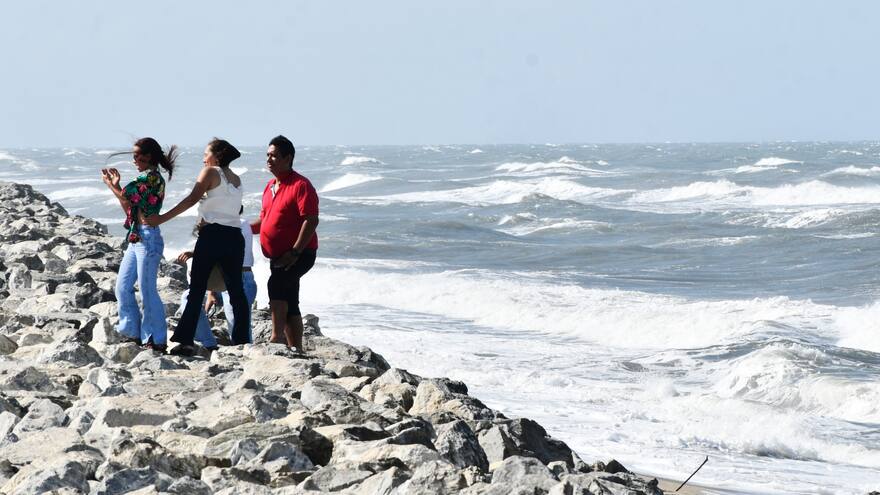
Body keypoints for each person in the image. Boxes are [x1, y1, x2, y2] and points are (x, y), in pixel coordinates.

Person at [145, 138, 250, 355]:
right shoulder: (237, 179)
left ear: (216, 156)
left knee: (197, 289)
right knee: (236, 292)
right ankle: (241, 343)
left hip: (212, 236)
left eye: (206, 153)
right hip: (234, 237)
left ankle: (185, 340)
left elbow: (191, 199)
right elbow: (232, 208)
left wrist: (161, 218)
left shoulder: (211, 172)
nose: (203, 158)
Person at [100, 137, 178, 352]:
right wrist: (115, 187)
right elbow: (129, 206)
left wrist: (111, 186)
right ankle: (131, 331)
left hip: (149, 239)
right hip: (137, 238)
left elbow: (126, 198)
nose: (134, 160)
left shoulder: (151, 178)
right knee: (123, 287)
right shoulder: (145, 177)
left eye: (138, 156)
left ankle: (156, 339)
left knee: (147, 290)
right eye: (133, 156)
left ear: (149, 157)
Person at [251, 135, 319, 351]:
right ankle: (296, 348)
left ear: (288, 158)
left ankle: (277, 338)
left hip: (300, 253)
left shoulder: (300, 184)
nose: (269, 160)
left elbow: (311, 219)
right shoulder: (270, 186)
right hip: (278, 255)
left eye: (274, 156)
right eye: (267, 155)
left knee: (277, 285)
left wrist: (295, 251)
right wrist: (238, 227)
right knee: (290, 297)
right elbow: (264, 221)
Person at [176, 206, 258, 347]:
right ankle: (209, 343)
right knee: (188, 298)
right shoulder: (224, 227)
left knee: (238, 329)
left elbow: (222, 255)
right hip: (223, 279)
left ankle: (241, 353)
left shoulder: (238, 225)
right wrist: (211, 291)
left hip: (241, 278)